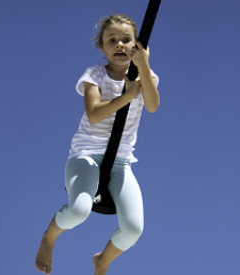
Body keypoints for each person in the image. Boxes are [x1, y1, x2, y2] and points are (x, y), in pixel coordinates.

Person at [35, 13, 160, 275]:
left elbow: (152, 105)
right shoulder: (95, 74)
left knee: (134, 229)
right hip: (86, 155)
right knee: (79, 210)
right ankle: (49, 237)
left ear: (138, 46)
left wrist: (144, 67)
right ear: (102, 48)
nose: (120, 44)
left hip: (121, 161)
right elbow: (93, 114)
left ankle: (102, 260)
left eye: (127, 40)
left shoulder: (144, 77)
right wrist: (126, 97)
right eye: (112, 40)